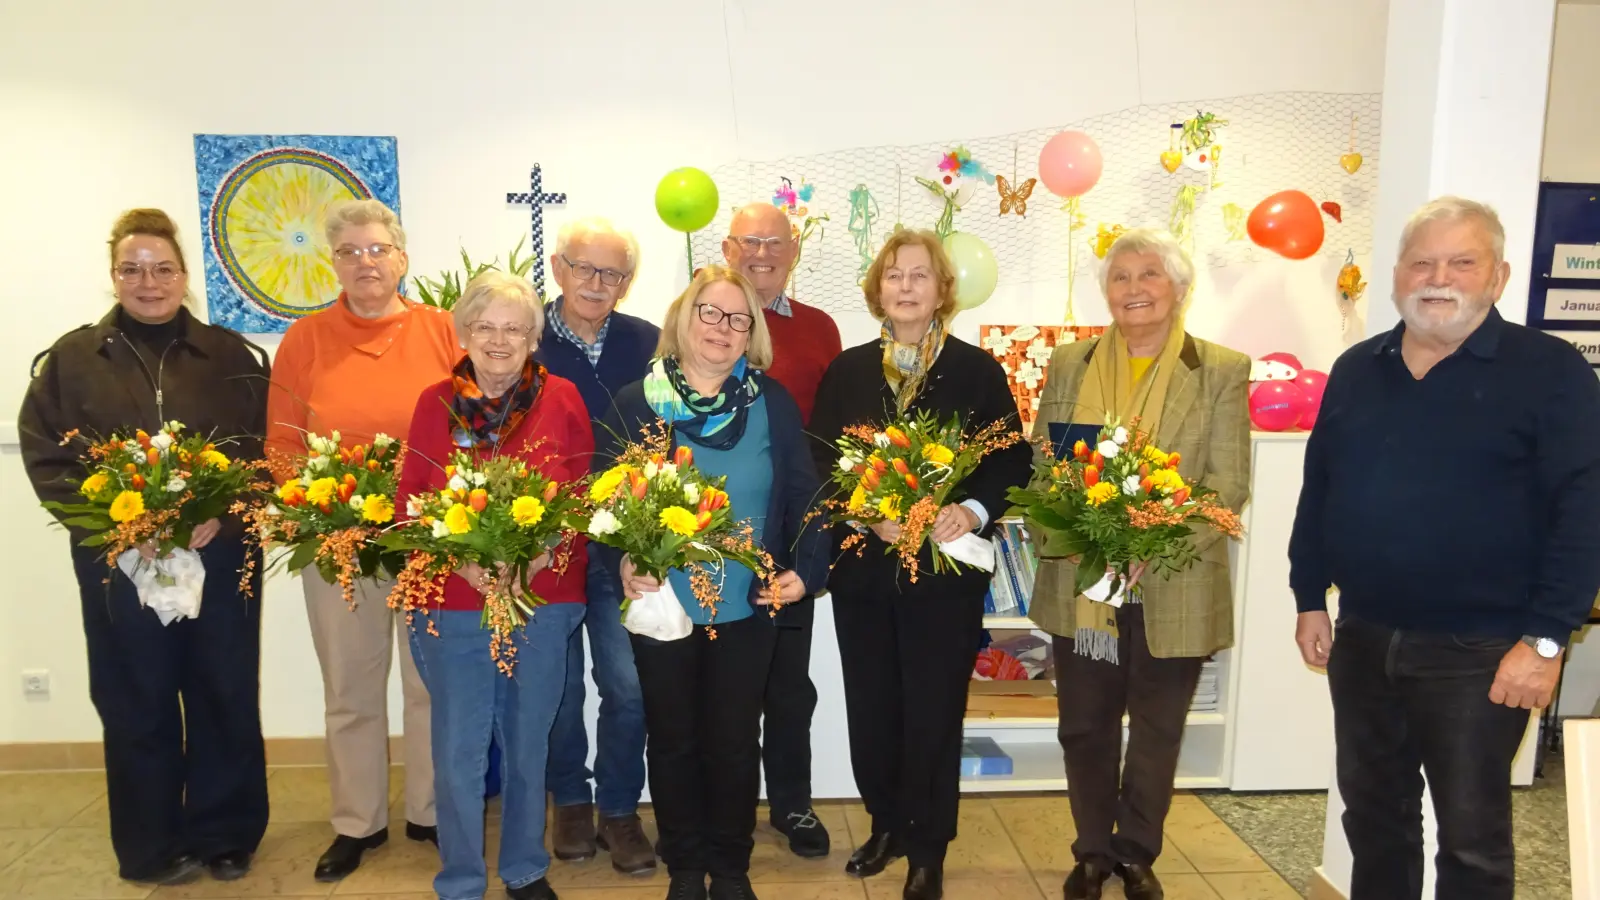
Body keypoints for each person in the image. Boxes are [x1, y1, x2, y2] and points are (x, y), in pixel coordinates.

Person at [1289, 196, 1600, 900]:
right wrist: (1309, 596)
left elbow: (1583, 515)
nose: (1440, 277)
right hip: (1364, 637)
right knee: (1373, 820)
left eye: (1463, 262)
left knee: (1472, 842)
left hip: (1482, 651)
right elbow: (1320, 491)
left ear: (1498, 276)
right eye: (1423, 262)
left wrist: (1547, 642)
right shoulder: (1357, 368)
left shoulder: (1551, 373)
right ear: (1397, 275)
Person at [19, 208, 271, 886]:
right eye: (132, 269)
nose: (148, 281)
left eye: (162, 268)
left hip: (219, 554)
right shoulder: (71, 361)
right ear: (113, 276)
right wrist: (118, 526)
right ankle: (150, 844)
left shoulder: (229, 355)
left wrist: (220, 512)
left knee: (222, 690)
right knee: (137, 698)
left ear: (183, 276)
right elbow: (49, 460)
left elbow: (261, 449)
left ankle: (226, 834)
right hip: (118, 563)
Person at [808, 229, 1031, 900]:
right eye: (894, 275)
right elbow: (818, 458)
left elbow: (1011, 457)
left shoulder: (976, 370)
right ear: (877, 288)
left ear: (942, 292)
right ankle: (886, 825)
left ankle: (928, 847)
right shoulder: (846, 370)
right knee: (873, 707)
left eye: (920, 276)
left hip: (944, 580)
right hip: (865, 573)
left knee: (934, 711)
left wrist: (970, 508)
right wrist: (861, 507)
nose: (905, 286)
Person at [1029, 228, 1251, 900]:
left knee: (1158, 729)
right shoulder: (1070, 364)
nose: (1134, 289)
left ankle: (1135, 853)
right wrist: (1084, 535)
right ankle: (1093, 850)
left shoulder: (1220, 368)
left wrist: (1150, 548)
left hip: (1173, 582)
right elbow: (1045, 463)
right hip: (1084, 583)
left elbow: (1226, 485)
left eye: (1149, 275)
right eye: (1120, 278)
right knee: (1085, 725)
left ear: (1179, 290)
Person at [597, 265, 828, 900]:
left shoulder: (770, 404)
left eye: (738, 318)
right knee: (672, 744)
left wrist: (803, 574)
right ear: (683, 319)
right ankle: (686, 872)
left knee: (732, 746)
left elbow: (807, 500)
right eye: (710, 313)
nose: (722, 329)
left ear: (751, 333)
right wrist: (621, 559)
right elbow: (600, 502)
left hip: (746, 607)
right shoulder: (638, 402)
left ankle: (729, 871)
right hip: (664, 606)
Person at [266, 198, 459, 880]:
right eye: (349, 252)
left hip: (431, 539)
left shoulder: (443, 331)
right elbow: (283, 443)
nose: (365, 263)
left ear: (403, 259)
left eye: (377, 250)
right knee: (349, 687)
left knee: (430, 685)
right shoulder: (304, 340)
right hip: (339, 540)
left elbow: (471, 425)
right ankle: (357, 823)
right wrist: (319, 511)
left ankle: (433, 814)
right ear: (334, 264)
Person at [397, 271, 592, 900]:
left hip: (543, 599)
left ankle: (524, 868)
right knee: (459, 748)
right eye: (485, 326)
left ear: (535, 338)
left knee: (528, 740)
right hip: (454, 603)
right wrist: (465, 566)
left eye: (515, 328)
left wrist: (533, 562)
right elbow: (412, 506)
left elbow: (584, 499)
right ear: (464, 334)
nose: (499, 340)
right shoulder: (434, 404)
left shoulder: (561, 399)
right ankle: (458, 877)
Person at [536, 216, 659, 874]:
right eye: (585, 268)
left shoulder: (647, 342)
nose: (597, 282)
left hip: (623, 546)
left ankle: (618, 807)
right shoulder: (522, 335)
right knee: (557, 688)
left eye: (612, 273)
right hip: (547, 544)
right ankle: (570, 801)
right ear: (559, 268)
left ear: (627, 282)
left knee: (629, 685)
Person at [721, 202, 842, 858]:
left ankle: (792, 805)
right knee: (721, 688)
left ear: (793, 250)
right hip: (710, 537)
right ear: (726, 247)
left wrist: (816, 535)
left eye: (774, 242)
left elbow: (832, 440)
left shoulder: (821, 329)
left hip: (790, 537)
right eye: (748, 241)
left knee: (789, 686)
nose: (761, 253)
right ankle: (726, 812)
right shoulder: (701, 320)